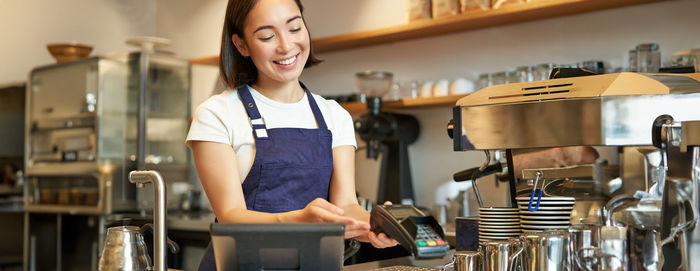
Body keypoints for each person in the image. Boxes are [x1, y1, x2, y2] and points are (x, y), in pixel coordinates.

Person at [185, 0, 398, 269]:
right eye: (267, 36)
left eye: (295, 28)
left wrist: (371, 224)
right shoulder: (218, 113)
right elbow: (230, 217)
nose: (286, 46)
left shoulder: (334, 115)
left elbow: (345, 204)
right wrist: (300, 220)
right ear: (241, 46)